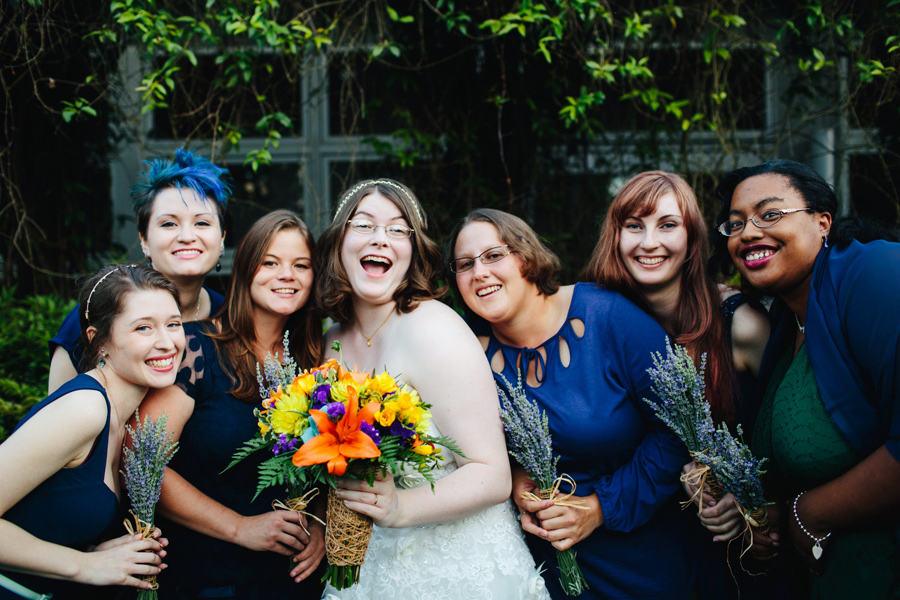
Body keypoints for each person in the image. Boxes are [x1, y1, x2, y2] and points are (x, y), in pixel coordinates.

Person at [316, 180, 549, 600]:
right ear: (338, 241)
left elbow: (492, 475)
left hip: (458, 573)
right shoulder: (329, 339)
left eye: (397, 229)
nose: (380, 239)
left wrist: (400, 508)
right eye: (363, 225)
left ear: (413, 250)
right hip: (365, 571)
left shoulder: (434, 328)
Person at [448, 208, 693, 600]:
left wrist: (599, 509)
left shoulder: (607, 315)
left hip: (639, 558)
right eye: (465, 264)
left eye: (494, 255)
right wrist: (515, 475)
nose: (479, 272)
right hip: (542, 568)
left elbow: (681, 426)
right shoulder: (461, 345)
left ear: (526, 256)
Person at [714, 159, 900, 599]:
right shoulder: (783, 324)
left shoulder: (875, 275)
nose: (748, 232)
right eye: (735, 224)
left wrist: (807, 514)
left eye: (770, 214)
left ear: (822, 223)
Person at [584, 171, 772, 598]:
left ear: (692, 238)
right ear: (615, 237)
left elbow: (791, 432)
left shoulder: (738, 323)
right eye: (634, 225)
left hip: (738, 552)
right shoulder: (594, 323)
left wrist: (749, 501)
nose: (649, 242)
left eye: (667, 225)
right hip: (639, 553)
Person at [138, 210, 326, 600]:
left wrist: (322, 524)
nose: (286, 275)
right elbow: (142, 463)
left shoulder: (317, 363)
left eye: (301, 265)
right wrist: (240, 526)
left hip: (294, 580)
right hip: (209, 576)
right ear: (245, 268)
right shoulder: (194, 349)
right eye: (270, 262)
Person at [0, 264, 181, 599]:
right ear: (99, 341)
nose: (167, 342)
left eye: (173, 324)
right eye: (144, 328)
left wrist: (93, 552)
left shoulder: (122, 416)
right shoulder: (85, 409)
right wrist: (84, 566)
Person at [49, 148, 231, 392]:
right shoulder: (102, 310)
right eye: (169, 223)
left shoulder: (231, 318)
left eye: (202, 223)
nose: (187, 236)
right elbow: (59, 414)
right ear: (144, 239)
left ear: (221, 239)